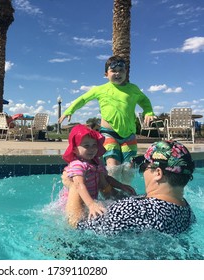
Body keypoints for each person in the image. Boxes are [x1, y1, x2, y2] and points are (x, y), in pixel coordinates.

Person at [62, 140, 196, 235]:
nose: (143, 172)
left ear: (158, 173)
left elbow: (76, 224)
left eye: (144, 167)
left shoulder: (133, 210)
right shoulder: (187, 211)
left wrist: (73, 186)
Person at [58, 55, 156, 185]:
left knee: (128, 168)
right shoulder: (101, 89)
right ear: (106, 74)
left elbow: (144, 101)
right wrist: (69, 110)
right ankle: (112, 193)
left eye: (121, 71)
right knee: (113, 166)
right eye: (113, 71)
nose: (117, 74)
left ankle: (126, 194)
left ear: (126, 72)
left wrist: (148, 111)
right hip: (109, 134)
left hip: (129, 135)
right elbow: (83, 99)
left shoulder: (133, 89)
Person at [60, 124, 136, 227]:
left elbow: (107, 178)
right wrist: (91, 204)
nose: (91, 149)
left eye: (94, 145)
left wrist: (121, 186)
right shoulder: (77, 164)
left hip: (88, 200)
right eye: (86, 146)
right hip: (76, 203)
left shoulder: (96, 162)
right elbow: (79, 185)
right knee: (76, 222)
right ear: (74, 149)